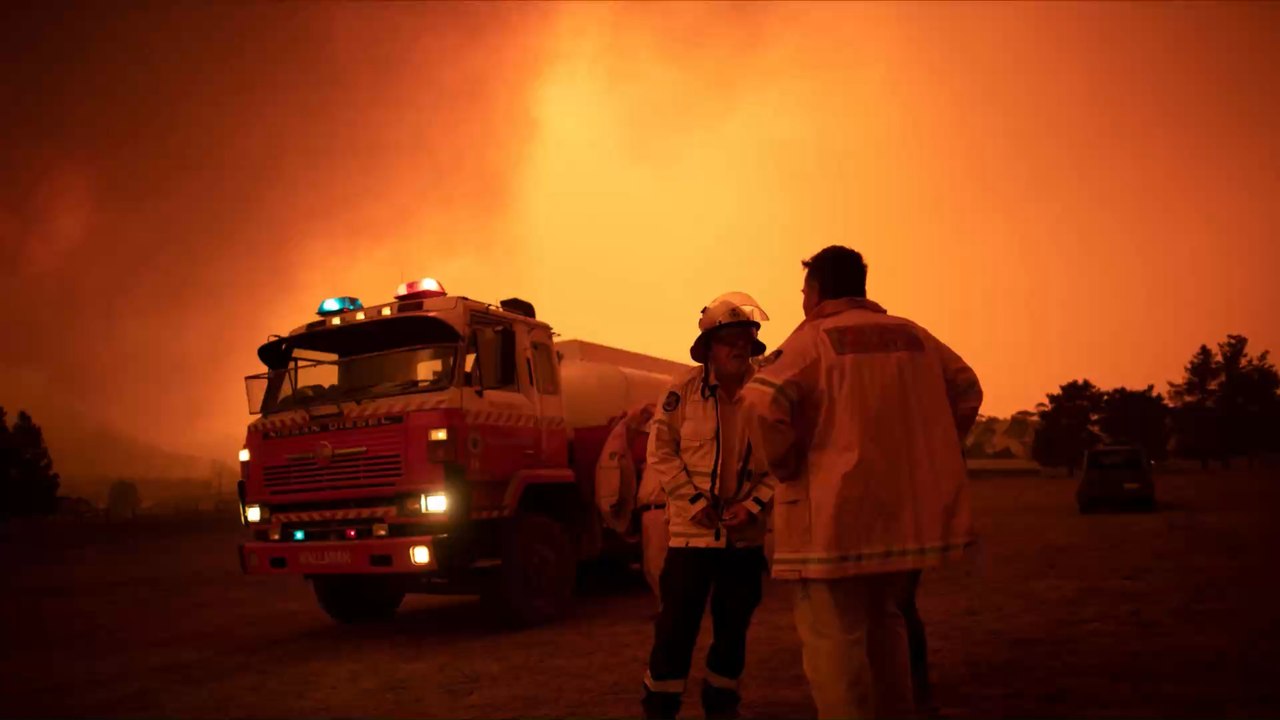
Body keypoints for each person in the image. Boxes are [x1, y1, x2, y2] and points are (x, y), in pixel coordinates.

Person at [742, 246, 983, 720]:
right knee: (886, 624)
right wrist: (931, 450)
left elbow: (760, 403)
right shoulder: (913, 335)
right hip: (901, 520)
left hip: (830, 522)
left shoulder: (813, 340)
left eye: (804, 291)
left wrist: (785, 464)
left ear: (815, 291)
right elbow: (967, 388)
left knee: (833, 639)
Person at [641, 292, 776, 720]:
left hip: (744, 540)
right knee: (674, 630)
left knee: (733, 631)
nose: (739, 347)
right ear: (709, 349)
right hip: (690, 539)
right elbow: (660, 451)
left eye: (746, 338)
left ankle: (721, 708)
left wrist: (753, 505)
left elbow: (784, 459)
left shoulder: (768, 394)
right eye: (729, 339)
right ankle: (660, 710)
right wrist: (692, 501)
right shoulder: (682, 391)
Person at [594, 403, 666, 611]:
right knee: (651, 566)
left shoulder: (668, 455)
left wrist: (643, 414)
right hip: (649, 512)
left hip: (660, 511)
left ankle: (669, 608)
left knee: (658, 564)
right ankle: (664, 606)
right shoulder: (653, 458)